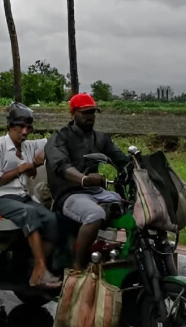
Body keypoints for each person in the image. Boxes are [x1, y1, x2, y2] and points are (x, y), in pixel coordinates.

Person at [0, 103, 61, 288]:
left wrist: (39, 160)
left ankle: (37, 269)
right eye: (21, 127)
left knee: (52, 220)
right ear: (10, 126)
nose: (25, 132)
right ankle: (41, 269)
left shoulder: (28, 146)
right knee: (28, 213)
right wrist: (22, 168)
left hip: (21, 197)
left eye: (28, 128)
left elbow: (54, 140)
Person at [45, 93, 129, 271]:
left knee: (132, 209)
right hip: (69, 194)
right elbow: (61, 166)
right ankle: (78, 267)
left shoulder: (100, 138)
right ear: (73, 113)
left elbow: (122, 161)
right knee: (94, 214)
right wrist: (84, 179)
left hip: (96, 192)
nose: (90, 116)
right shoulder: (60, 137)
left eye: (92, 112)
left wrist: (143, 168)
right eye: (85, 112)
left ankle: (131, 258)